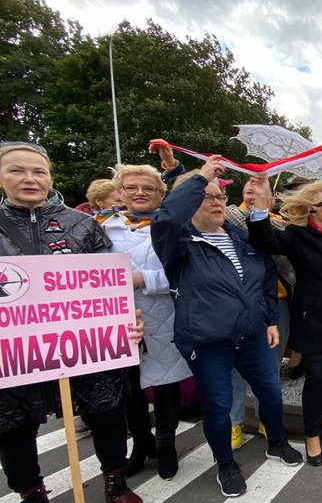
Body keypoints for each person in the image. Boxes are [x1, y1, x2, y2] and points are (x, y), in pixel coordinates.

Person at [0, 141, 143, 503]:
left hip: (86, 344)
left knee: (107, 410)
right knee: (15, 425)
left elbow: (110, 282)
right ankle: (31, 491)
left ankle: (116, 480)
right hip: (16, 349)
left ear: (50, 177)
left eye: (39, 171)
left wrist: (126, 321)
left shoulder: (80, 224)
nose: (30, 179)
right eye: (17, 170)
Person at [151, 156, 303, 497]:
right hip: (207, 343)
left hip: (251, 335)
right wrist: (199, 176)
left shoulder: (239, 235)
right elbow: (165, 219)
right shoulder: (178, 243)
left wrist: (268, 319)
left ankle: (276, 441)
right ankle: (225, 464)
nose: (218, 201)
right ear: (190, 201)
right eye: (208, 196)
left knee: (270, 390)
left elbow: (264, 275)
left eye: (220, 196)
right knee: (218, 405)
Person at [246, 151, 322, 467]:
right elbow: (264, 243)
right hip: (314, 321)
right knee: (318, 376)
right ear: (312, 209)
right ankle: (312, 433)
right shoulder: (297, 236)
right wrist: (260, 208)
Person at [99, 164, 192, 480]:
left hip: (163, 316)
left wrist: (145, 279)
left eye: (148, 188)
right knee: (128, 389)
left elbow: (189, 273)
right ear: (120, 191)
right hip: (115, 320)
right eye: (131, 187)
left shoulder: (175, 226)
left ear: (160, 193)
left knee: (166, 385)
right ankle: (141, 441)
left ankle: (166, 443)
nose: (140, 193)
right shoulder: (100, 227)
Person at [222, 174, 296, 448]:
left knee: (271, 367)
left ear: (271, 198)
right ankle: (233, 423)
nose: (253, 196)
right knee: (235, 368)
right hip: (240, 304)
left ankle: (268, 417)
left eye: (259, 192)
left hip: (277, 304)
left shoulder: (280, 225)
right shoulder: (228, 219)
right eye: (249, 191)